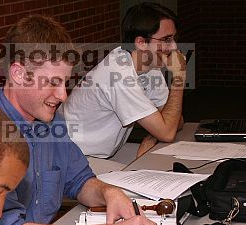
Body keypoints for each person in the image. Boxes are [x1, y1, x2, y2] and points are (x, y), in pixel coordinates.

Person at [0, 14, 156, 225]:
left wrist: (108, 192)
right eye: (53, 83)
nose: (63, 96)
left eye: (65, 83)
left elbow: (78, 180)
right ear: (18, 74)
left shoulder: (50, 122)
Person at [61, 2, 186, 161]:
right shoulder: (119, 74)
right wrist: (179, 79)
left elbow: (175, 121)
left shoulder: (150, 66)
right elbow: (168, 132)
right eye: (166, 39)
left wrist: (152, 135)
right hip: (74, 158)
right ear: (141, 43)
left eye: (174, 38)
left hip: (101, 154)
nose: (174, 46)